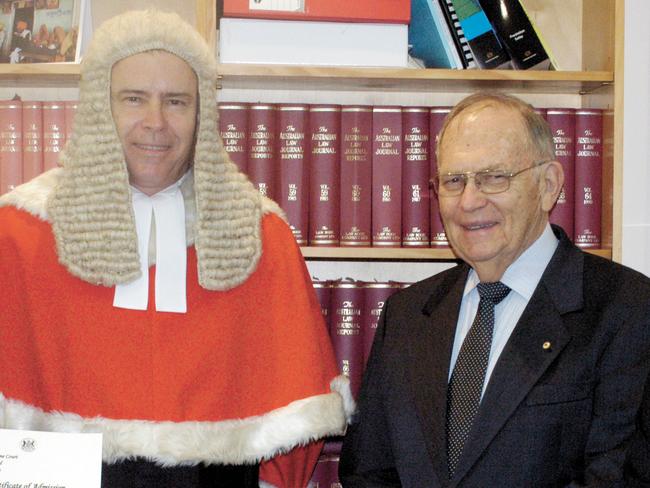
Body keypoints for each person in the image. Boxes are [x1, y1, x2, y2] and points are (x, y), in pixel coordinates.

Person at [0, 9, 353, 488]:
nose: (155, 122)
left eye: (177, 101)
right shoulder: (18, 232)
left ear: (202, 114)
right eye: (133, 99)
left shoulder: (260, 234)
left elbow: (296, 426)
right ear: (98, 107)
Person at [339, 92, 650, 487]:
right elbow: (368, 473)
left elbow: (618, 477)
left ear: (548, 185)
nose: (469, 201)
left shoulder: (628, 311)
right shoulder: (406, 316)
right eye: (454, 181)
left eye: (493, 177)